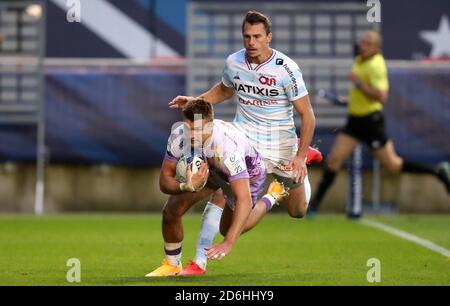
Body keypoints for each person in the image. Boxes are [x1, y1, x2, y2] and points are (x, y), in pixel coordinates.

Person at [169, 10, 321, 275]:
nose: (251, 42)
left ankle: (276, 192)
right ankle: (198, 263)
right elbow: (226, 89)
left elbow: (307, 114)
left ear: (268, 37)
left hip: (281, 145)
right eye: (247, 36)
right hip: (244, 138)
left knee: (298, 211)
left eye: (257, 37)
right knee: (222, 197)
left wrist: (299, 156)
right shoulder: (234, 62)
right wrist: (196, 100)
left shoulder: (287, 68)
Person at [308, 30, 450, 216]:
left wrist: (359, 84)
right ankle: (314, 206)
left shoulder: (376, 65)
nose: (362, 45)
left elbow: (382, 96)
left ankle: (438, 171)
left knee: (393, 165)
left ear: (376, 48)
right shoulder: (360, 59)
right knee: (334, 160)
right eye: (362, 41)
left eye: (367, 42)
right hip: (354, 121)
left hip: (371, 122)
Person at [146, 99, 290, 277]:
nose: (191, 135)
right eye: (188, 128)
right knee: (171, 210)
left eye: (197, 129)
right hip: (212, 170)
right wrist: (186, 185)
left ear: (211, 127)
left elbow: (243, 199)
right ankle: (172, 264)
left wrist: (228, 242)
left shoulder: (227, 148)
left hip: (247, 175)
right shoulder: (179, 136)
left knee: (229, 228)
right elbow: (164, 181)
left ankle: (272, 196)